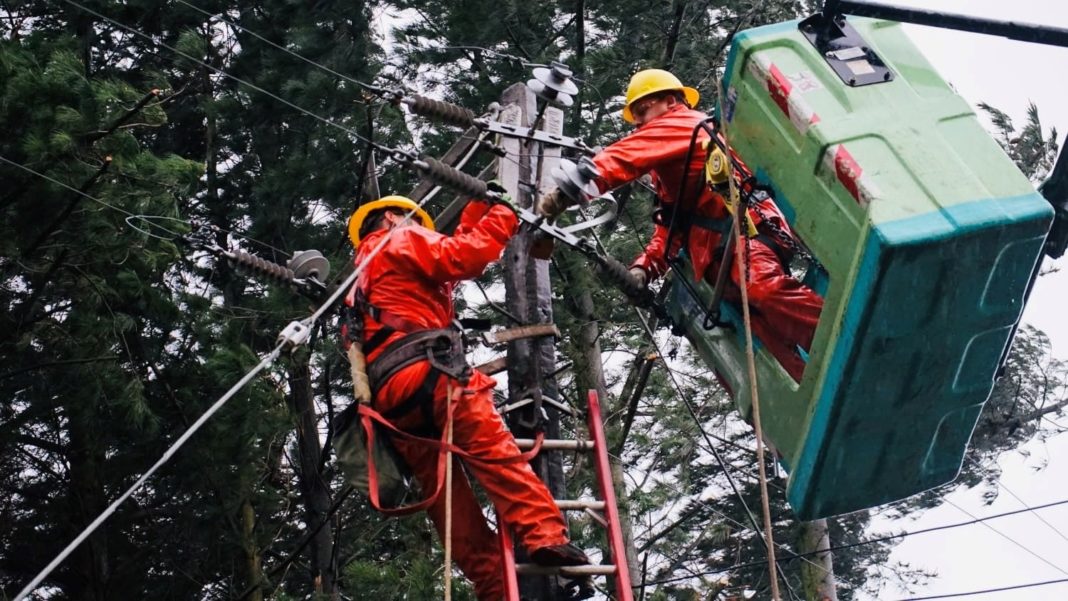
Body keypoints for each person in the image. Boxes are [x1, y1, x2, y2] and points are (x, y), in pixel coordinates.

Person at [343, 194, 588, 600]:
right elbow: (465, 257)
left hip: (392, 403)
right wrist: (507, 213)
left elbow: (445, 268)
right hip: (433, 375)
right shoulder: (394, 240)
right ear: (391, 217)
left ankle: (492, 584)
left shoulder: (361, 282)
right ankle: (543, 535)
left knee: (446, 498)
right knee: (496, 453)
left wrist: (479, 205)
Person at [537, 69, 823, 381]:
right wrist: (644, 268)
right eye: (637, 118)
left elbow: (623, 157)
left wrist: (571, 189)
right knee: (769, 341)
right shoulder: (673, 167)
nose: (641, 124)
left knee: (763, 290)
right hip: (723, 256)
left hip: (744, 235)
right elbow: (672, 229)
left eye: (644, 111)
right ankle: (821, 385)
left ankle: (835, 343)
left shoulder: (682, 123)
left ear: (670, 101)